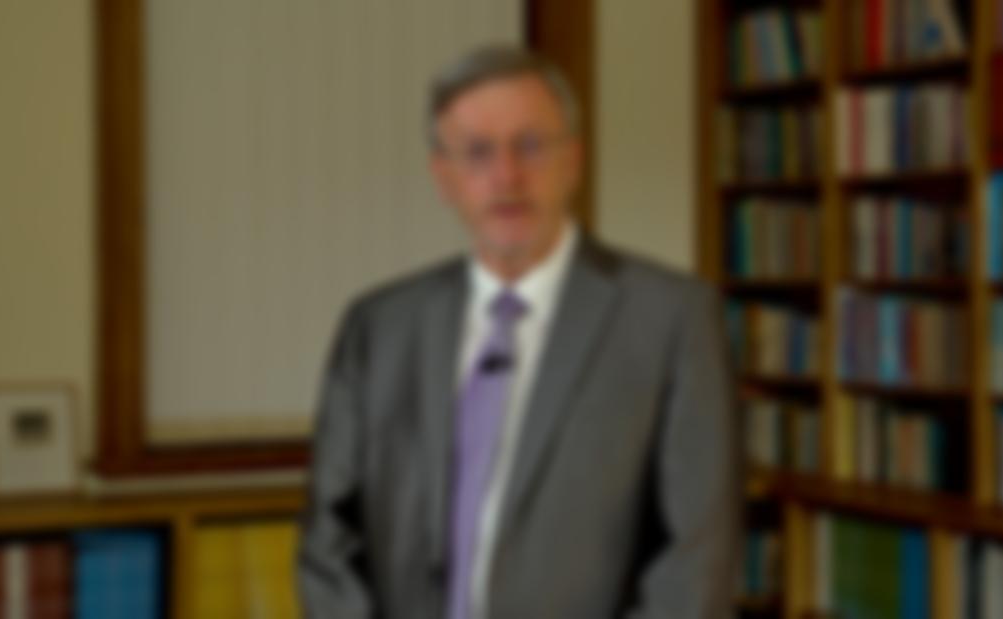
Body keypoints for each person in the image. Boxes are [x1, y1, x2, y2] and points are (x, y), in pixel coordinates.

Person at [297, 44, 741, 619]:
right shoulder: (377, 327)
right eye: (477, 152)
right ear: (444, 177)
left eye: (531, 145)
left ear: (574, 160)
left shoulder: (672, 319)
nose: (506, 175)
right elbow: (329, 538)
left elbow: (697, 561)